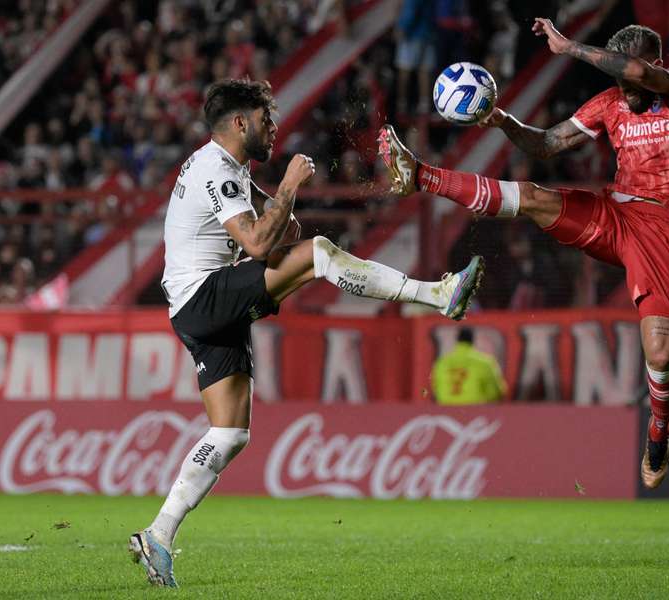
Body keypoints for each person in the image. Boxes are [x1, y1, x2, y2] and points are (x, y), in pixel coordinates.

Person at [129, 79, 485, 588]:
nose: (273, 127)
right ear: (239, 123)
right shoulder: (214, 168)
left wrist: (280, 207)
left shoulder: (225, 167)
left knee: (230, 433)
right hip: (204, 296)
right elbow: (256, 244)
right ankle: (437, 295)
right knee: (320, 253)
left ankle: (158, 535)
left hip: (198, 306)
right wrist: (291, 185)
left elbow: (278, 231)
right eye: (264, 119)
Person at [379, 19, 669, 490]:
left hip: (667, 229)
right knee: (532, 197)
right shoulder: (610, 104)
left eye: (634, 74)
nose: (627, 84)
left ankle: (660, 432)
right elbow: (550, 143)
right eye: (619, 79)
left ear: (657, 65)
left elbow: (635, 68)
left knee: (658, 352)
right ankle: (422, 176)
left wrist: (568, 46)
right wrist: (505, 121)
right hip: (618, 216)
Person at [431, 327, 507, 404]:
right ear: (473, 340)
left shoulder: (441, 363)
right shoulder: (485, 363)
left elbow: (435, 388)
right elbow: (495, 393)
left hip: (445, 410)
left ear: (457, 340)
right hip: (475, 410)